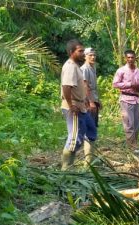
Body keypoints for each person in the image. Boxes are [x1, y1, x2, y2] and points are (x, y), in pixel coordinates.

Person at [60, 39, 97, 169]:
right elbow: (66, 87)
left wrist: (86, 100)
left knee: (91, 130)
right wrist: (71, 105)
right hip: (74, 107)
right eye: (80, 51)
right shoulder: (70, 66)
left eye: (83, 51)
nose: (83, 53)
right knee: (75, 138)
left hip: (81, 106)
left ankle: (88, 164)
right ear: (72, 52)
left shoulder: (76, 66)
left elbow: (79, 87)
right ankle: (66, 169)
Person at [112, 49, 139, 151]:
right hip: (126, 99)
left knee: (137, 124)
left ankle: (134, 144)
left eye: (132, 57)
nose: (130, 59)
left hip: (136, 99)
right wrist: (129, 84)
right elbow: (115, 84)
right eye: (128, 57)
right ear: (125, 58)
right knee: (129, 124)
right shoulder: (121, 70)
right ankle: (132, 148)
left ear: (135, 58)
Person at [81, 47, 100, 128]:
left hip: (94, 96)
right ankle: (86, 139)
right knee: (89, 121)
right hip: (87, 99)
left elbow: (94, 87)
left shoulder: (93, 67)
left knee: (94, 121)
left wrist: (97, 100)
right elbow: (85, 86)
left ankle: (91, 139)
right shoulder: (84, 69)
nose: (93, 57)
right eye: (90, 55)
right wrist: (90, 102)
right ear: (85, 56)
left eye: (94, 55)